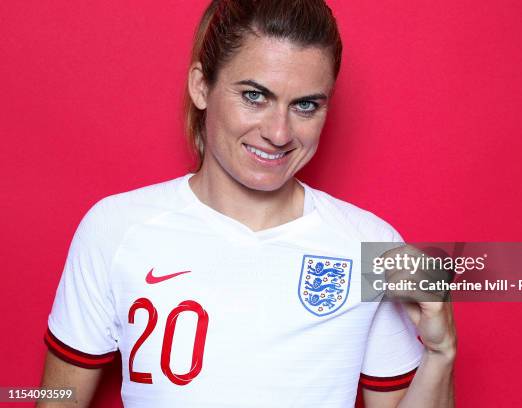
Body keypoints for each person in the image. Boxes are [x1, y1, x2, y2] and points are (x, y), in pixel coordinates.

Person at [38, 0, 456, 407]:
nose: (279, 133)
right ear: (202, 86)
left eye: (305, 105)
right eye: (255, 96)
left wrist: (440, 355)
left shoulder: (370, 247)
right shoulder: (115, 228)